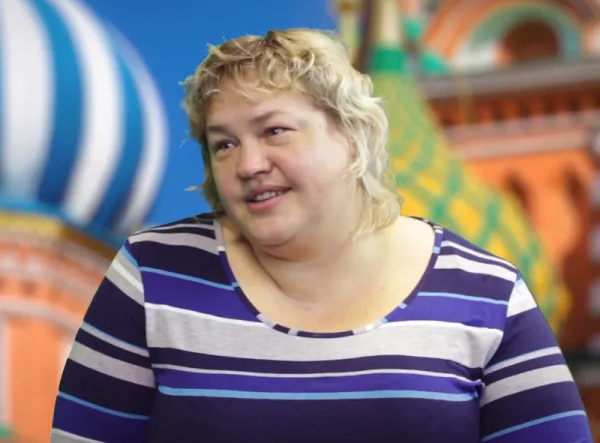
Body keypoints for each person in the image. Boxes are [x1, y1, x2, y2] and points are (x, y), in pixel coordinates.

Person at [51, 28, 593, 442]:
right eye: (224, 144)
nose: (248, 164)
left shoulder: (485, 292)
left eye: (274, 131)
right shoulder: (153, 274)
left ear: (351, 136)